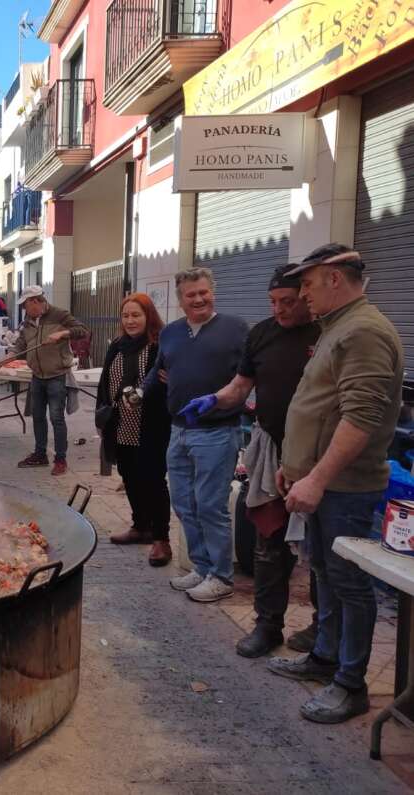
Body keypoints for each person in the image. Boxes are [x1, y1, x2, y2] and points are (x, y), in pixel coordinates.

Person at [265, 244, 403, 724]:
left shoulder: (364, 331)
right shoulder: (337, 328)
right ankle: (323, 658)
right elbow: (318, 405)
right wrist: (294, 464)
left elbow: (360, 416)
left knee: (349, 583)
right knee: (324, 573)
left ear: (334, 279)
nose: (301, 293)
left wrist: (318, 478)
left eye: (307, 282)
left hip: (345, 486)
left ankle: (350, 684)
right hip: (321, 482)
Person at [183, 266, 321, 657]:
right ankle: (267, 624)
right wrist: (216, 399)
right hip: (271, 449)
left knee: (319, 550)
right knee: (268, 541)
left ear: (306, 297)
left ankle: (320, 627)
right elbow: (241, 386)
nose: (279, 310)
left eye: (288, 302)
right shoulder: (261, 334)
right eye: (273, 302)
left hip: (316, 455)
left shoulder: (326, 334)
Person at [146, 267, 248, 603]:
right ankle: (202, 568)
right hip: (179, 431)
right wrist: (136, 395)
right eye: (191, 295)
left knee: (210, 505)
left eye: (204, 292)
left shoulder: (235, 329)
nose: (199, 299)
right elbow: (159, 370)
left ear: (212, 292)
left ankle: (221, 576)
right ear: (181, 300)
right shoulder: (171, 333)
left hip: (217, 432)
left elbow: (249, 376)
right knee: (185, 504)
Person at [97, 293, 172, 566]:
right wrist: (103, 418)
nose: (130, 320)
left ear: (148, 316)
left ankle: (161, 539)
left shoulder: (160, 345)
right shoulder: (117, 346)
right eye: (126, 315)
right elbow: (106, 382)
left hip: (151, 424)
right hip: (121, 423)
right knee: (128, 475)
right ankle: (140, 526)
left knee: (152, 479)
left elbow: (169, 379)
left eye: (136, 315)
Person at [0, 286, 88, 476]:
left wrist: (62, 334)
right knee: (37, 416)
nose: (24, 309)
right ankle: (40, 454)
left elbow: (83, 330)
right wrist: (6, 358)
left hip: (57, 375)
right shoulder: (28, 321)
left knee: (56, 418)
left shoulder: (59, 315)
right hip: (37, 376)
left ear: (36, 301)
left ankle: (60, 459)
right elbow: (21, 344)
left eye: (26, 305)